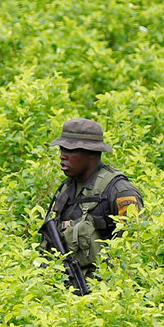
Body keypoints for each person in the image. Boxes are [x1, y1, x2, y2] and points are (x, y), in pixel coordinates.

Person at [40, 118, 143, 281]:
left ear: (91, 153)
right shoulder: (67, 189)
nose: (62, 156)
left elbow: (134, 249)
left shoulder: (119, 191)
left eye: (70, 150)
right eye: (62, 149)